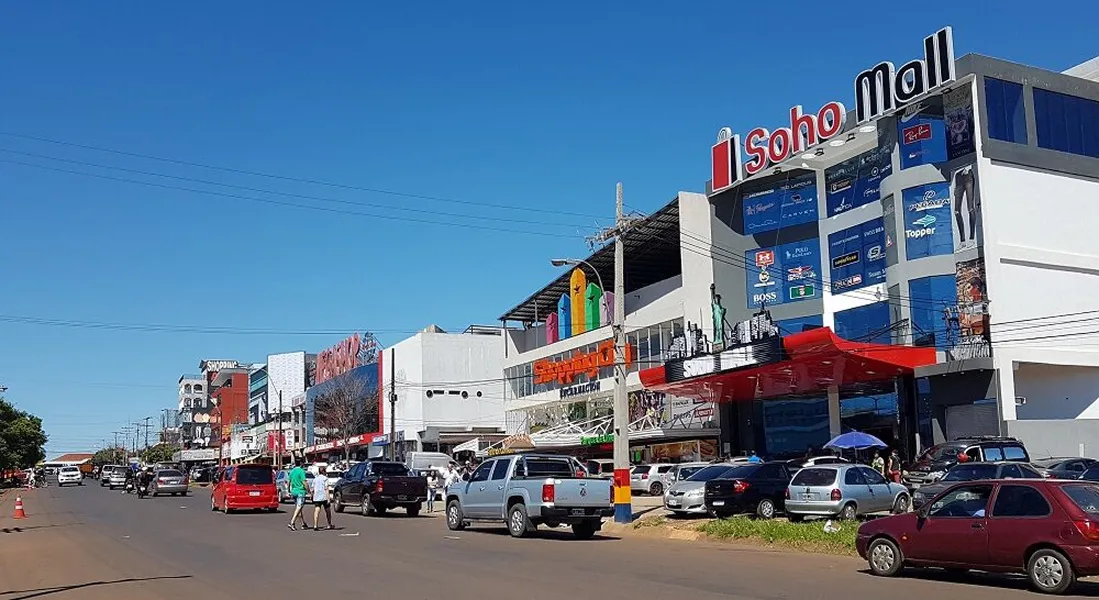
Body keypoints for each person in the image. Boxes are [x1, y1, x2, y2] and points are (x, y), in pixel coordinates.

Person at [287, 459, 309, 531]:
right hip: (300, 492)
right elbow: (304, 482)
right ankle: (292, 522)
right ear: (301, 463)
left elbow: (288, 482)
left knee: (298, 508)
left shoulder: (292, 471)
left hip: (294, 491)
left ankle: (303, 523)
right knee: (299, 507)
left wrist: (289, 490)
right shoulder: (301, 471)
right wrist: (308, 490)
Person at [311, 466, 334, 531]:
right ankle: (329, 524)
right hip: (324, 496)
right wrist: (328, 498)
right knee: (328, 511)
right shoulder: (325, 478)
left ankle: (315, 525)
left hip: (317, 496)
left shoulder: (315, 479)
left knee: (317, 510)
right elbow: (326, 488)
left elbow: (312, 489)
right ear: (324, 471)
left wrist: (311, 495)